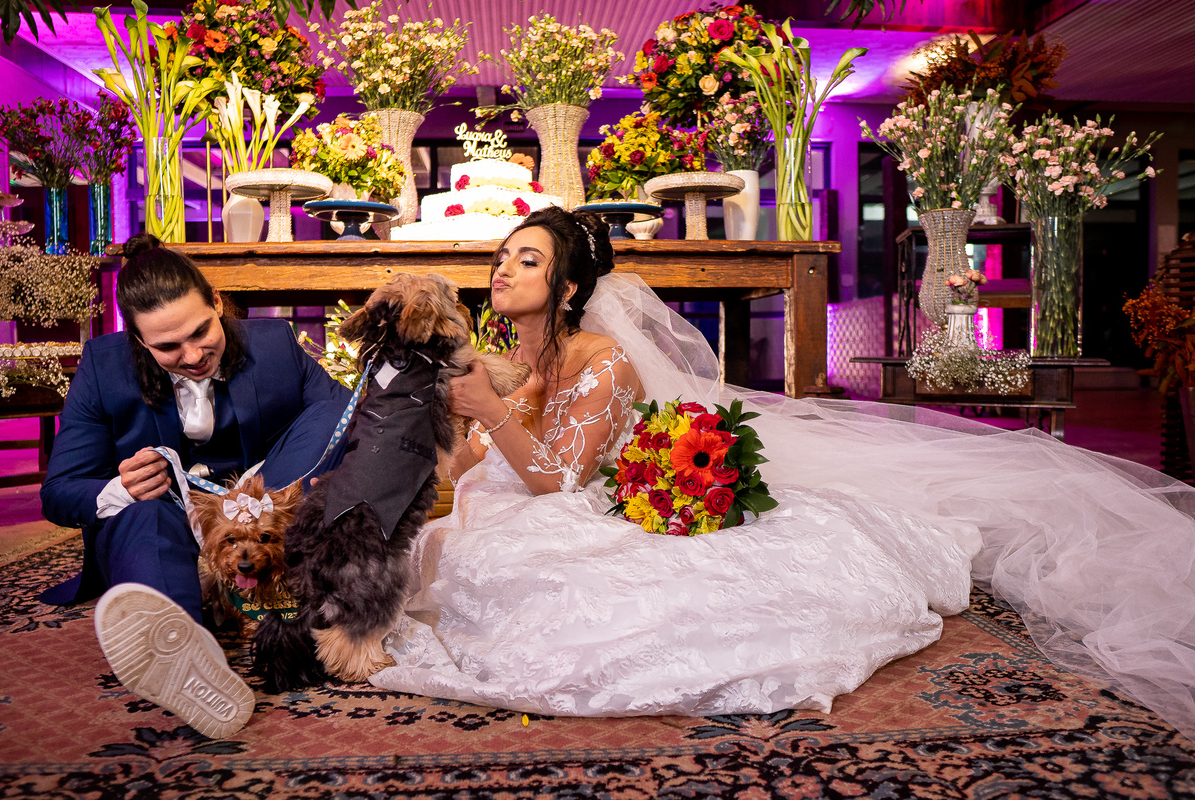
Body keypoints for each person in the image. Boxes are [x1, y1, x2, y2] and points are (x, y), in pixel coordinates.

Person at [370, 207, 1195, 741]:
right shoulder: (515, 359)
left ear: (571, 284)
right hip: (522, 504)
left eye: (526, 260)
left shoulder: (604, 361)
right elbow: (475, 469)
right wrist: (446, 417)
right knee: (452, 554)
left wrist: (487, 410)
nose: (501, 271)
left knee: (537, 585)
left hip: (577, 506)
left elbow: (556, 481)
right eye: (501, 258)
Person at [39, 233, 352, 738]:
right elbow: (58, 492)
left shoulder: (273, 345)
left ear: (217, 304)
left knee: (338, 410)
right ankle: (188, 651)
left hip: (254, 522)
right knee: (141, 518)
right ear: (138, 341)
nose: (191, 355)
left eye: (201, 331)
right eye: (167, 346)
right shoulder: (102, 367)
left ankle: (253, 579)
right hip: (159, 524)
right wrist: (117, 488)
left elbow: (341, 417)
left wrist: (264, 493)